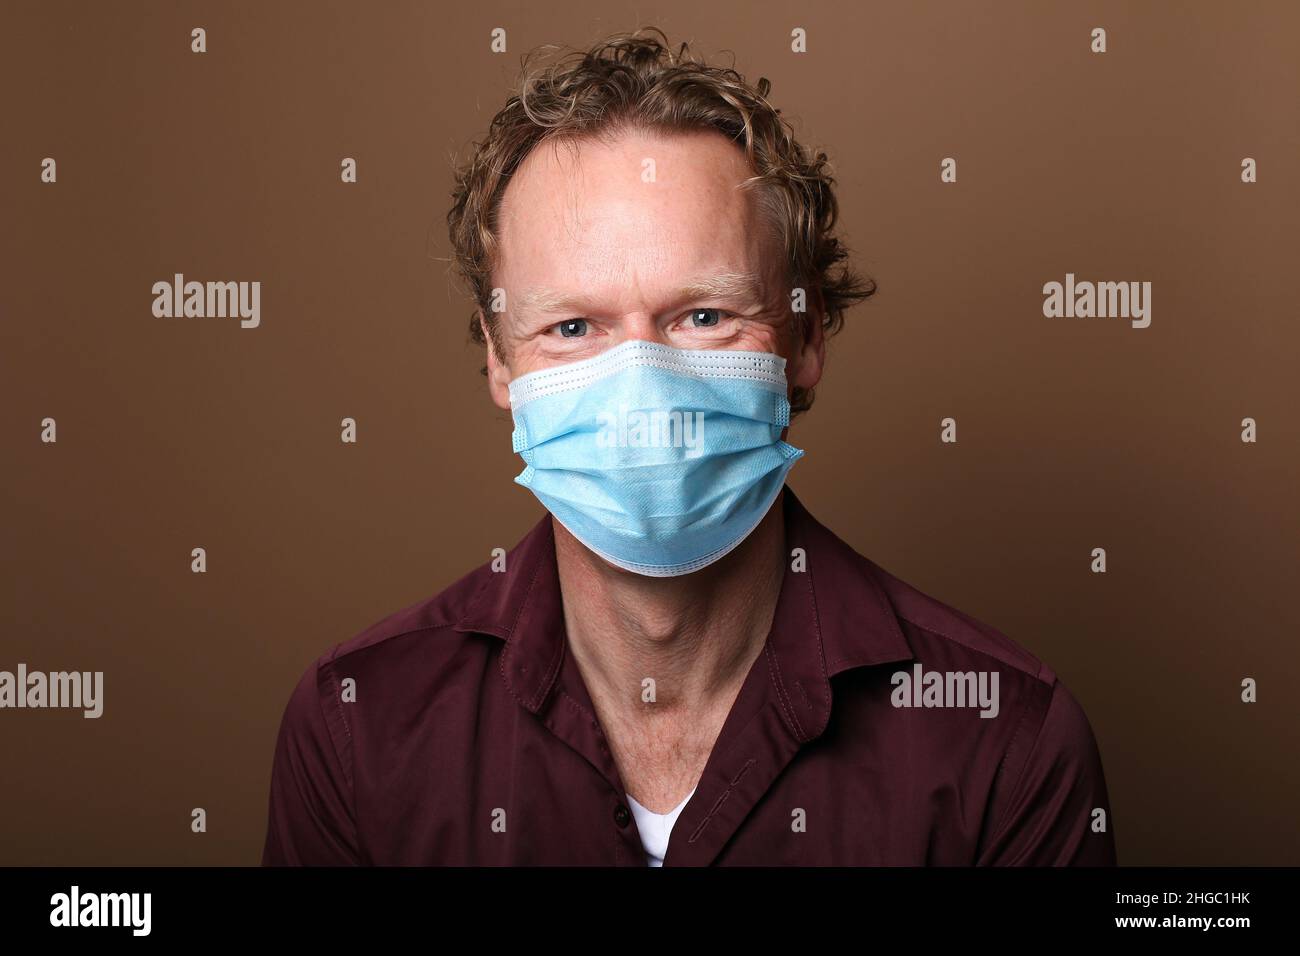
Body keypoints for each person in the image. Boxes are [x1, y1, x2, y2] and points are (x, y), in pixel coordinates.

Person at [262, 28, 1116, 866]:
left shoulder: (1005, 746)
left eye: (703, 316)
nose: (641, 392)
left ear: (805, 335)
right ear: (499, 359)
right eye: (572, 327)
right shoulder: (358, 730)